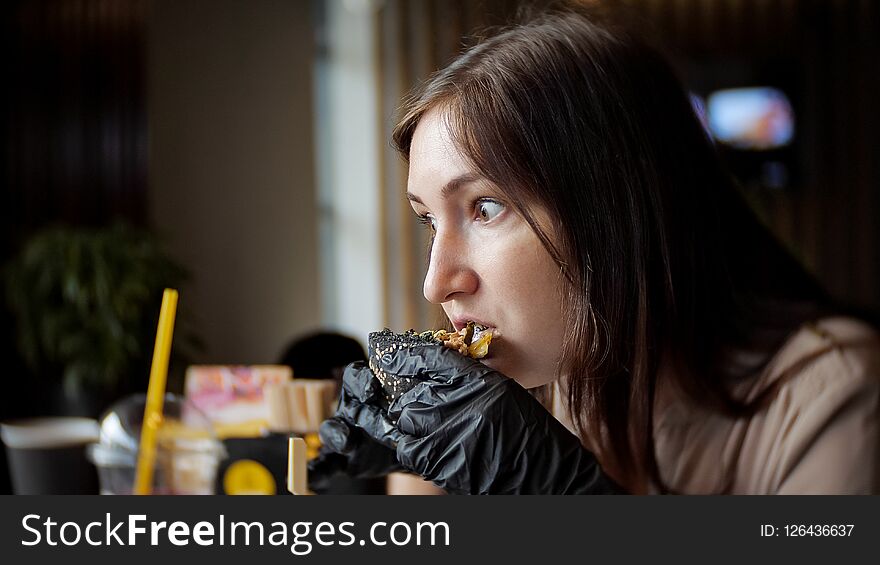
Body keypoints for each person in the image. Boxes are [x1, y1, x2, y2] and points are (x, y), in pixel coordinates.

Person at [310, 3, 880, 494]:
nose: (436, 283)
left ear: (611, 209)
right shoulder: (549, 382)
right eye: (428, 222)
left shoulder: (834, 394)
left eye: (485, 208)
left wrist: (557, 494)